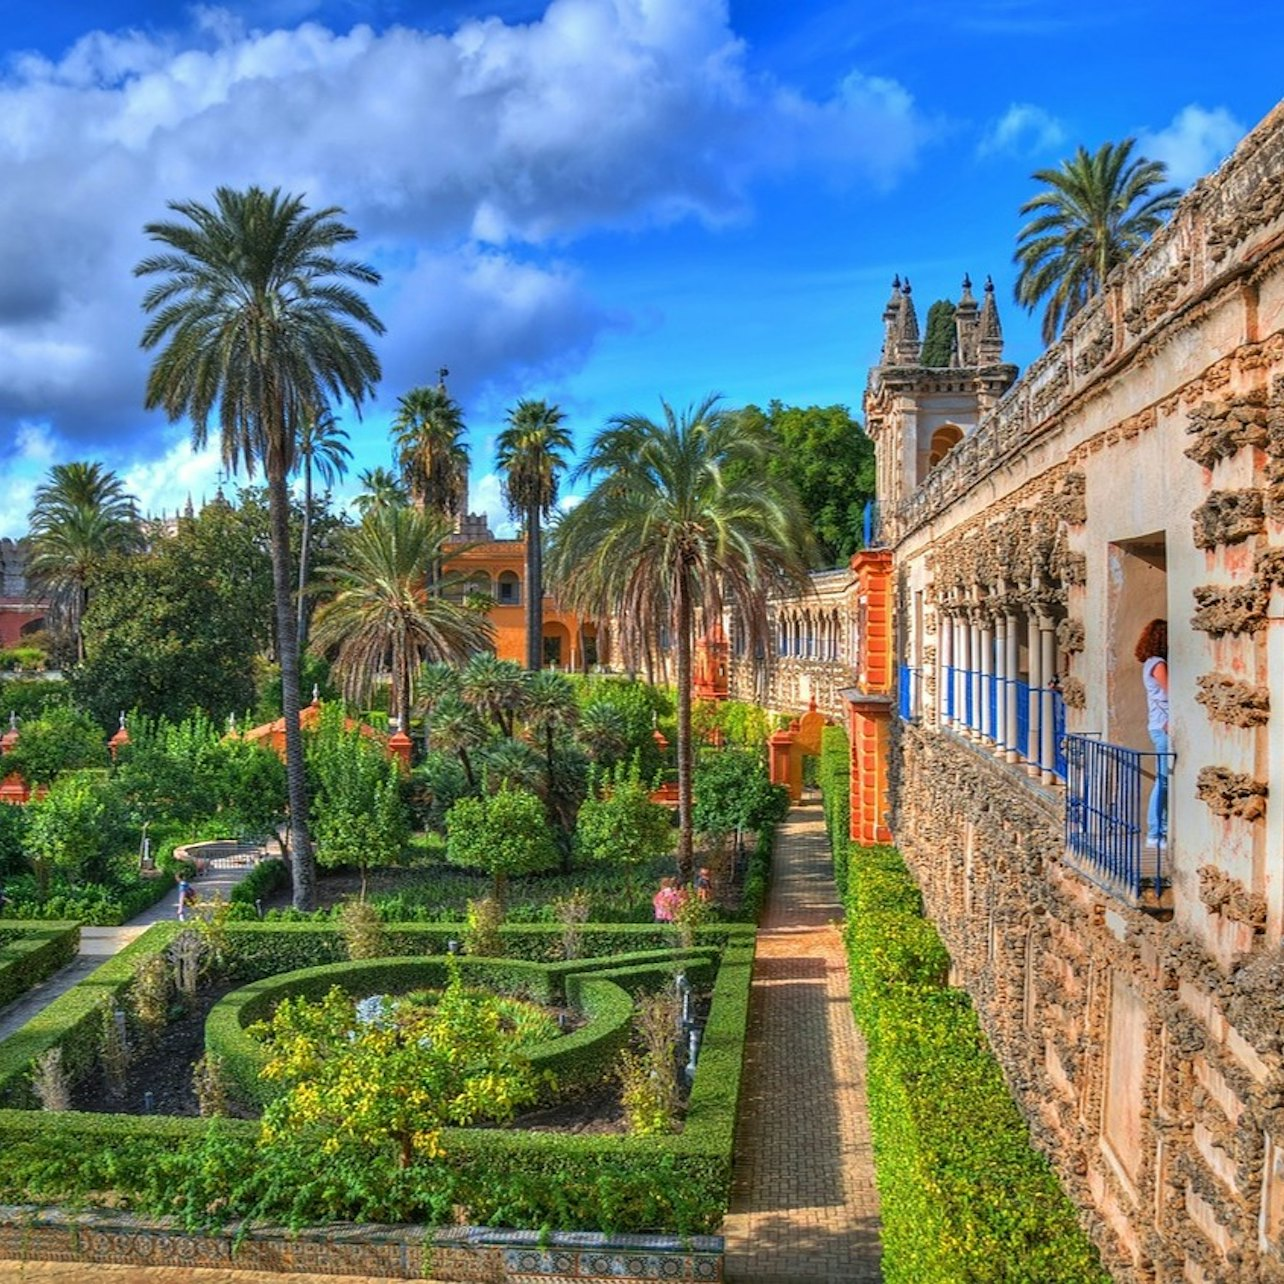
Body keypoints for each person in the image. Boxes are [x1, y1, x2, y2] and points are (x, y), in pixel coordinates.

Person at [1135, 618, 1169, 853]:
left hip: (1157, 725)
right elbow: (1172, 691)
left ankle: (1161, 829)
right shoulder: (1158, 664)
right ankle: (1156, 832)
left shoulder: (1149, 663)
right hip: (1163, 726)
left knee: (1164, 779)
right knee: (1163, 779)